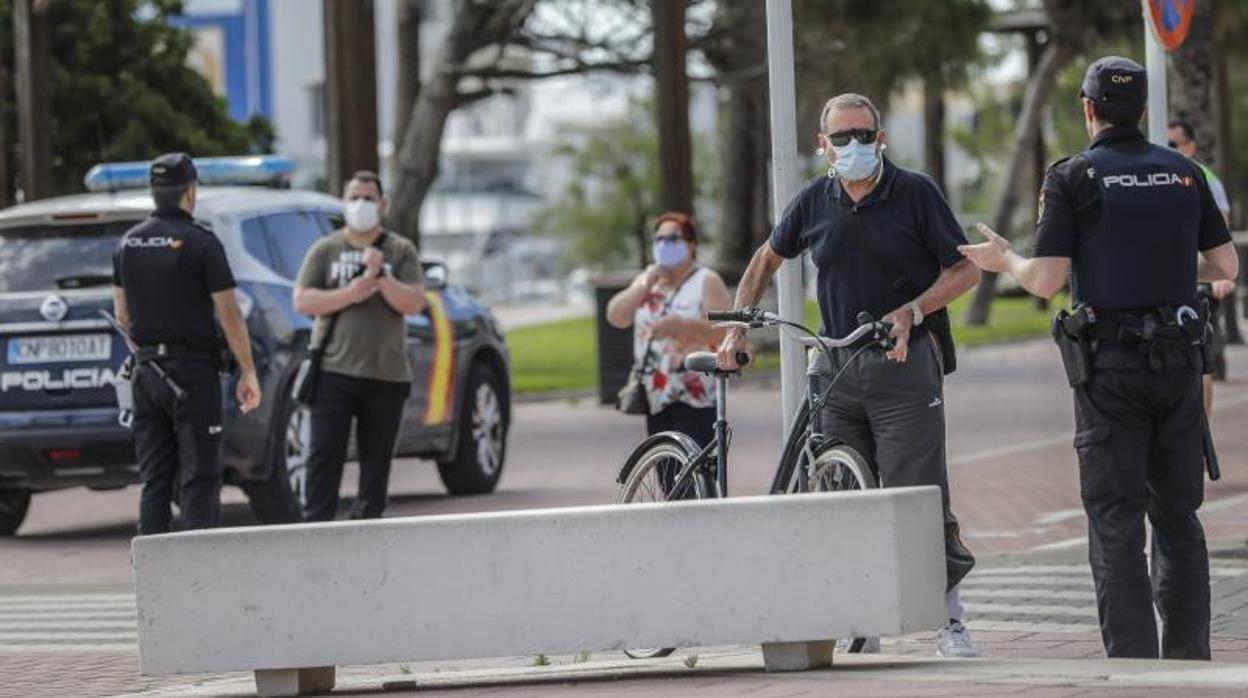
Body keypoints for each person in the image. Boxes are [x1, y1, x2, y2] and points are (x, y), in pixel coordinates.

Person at [960, 56, 1239, 659]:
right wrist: (1163, 269)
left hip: (1110, 369)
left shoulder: (1075, 176)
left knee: (1115, 517)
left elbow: (1044, 279)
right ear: (1141, 110)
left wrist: (1002, 259)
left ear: (1088, 109)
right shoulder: (1183, 171)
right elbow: (1226, 268)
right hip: (1179, 363)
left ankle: (1135, 664)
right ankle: (1189, 657)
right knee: (1179, 515)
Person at [715, 93, 983, 657]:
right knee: (839, 495)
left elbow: (964, 271)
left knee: (920, 494)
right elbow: (766, 258)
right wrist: (737, 329)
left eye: (864, 135)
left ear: (881, 138)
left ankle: (948, 622)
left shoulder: (915, 193)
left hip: (904, 365)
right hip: (835, 369)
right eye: (842, 137)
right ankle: (859, 620)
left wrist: (914, 309)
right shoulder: (813, 200)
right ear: (823, 145)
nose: (854, 146)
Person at [112, 152, 262, 535]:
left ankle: (152, 571)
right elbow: (229, 314)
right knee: (200, 477)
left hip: (146, 375)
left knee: (155, 481)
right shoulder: (201, 243)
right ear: (190, 193)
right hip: (191, 375)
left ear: (154, 193)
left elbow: (123, 316)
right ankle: (198, 572)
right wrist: (247, 370)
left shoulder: (127, 244)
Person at [294, 171, 425, 521]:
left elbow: (413, 303)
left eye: (368, 198)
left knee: (376, 461)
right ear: (344, 202)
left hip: (386, 374)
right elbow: (303, 301)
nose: (361, 205)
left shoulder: (400, 250)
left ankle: (366, 526)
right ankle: (316, 529)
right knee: (323, 455)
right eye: (354, 198)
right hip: (334, 371)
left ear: (382, 205)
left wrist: (382, 276)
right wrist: (348, 294)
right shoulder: (326, 249)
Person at [606, 213, 732, 450]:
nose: (664, 245)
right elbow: (616, 317)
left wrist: (683, 326)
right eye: (659, 239)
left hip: (694, 393)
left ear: (691, 244)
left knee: (695, 471)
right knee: (666, 473)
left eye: (673, 239)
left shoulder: (706, 280)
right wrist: (646, 283)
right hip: (656, 393)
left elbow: (725, 333)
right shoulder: (648, 281)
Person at [1168, 120, 1237, 413]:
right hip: (1164, 284)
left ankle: (1199, 442)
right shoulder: (1154, 174)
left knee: (1199, 365)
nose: (1167, 149)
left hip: (1198, 281)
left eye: (1173, 144)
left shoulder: (1204, 178)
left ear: (1190, 146)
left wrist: (1220, 277)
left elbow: (1221, 233)